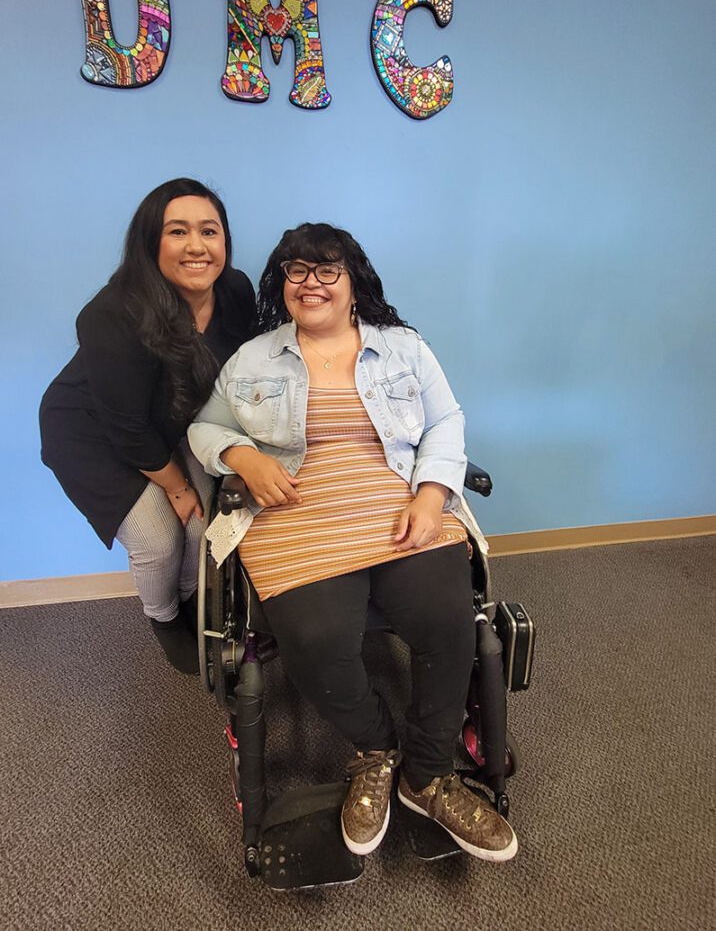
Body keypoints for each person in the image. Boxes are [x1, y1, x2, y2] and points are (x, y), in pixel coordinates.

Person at [188, 223, 517, 862]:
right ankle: (375, 748)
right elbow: (206, 425)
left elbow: (446, 420)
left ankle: (426, 776)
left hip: (397, 502)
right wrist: (240, 455)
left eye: (325, 270)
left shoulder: (403, 348)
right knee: (315, 641)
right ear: (281, 284)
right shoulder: (254, 359)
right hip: (296, 512)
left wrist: (431, 494)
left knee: (449, 624)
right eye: (295, 271)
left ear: (353, 281)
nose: (310, 284)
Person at [40, 178, 256, 674]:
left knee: (206, 526)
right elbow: (126, 424)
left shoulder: (236, 290)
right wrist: (177, 487)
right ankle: (162, 618)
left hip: (176, 420)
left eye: (210, 231)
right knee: (160, 537)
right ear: (150, 241)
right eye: (177, 231)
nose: (197, 246)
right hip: (93, 431)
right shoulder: (111, 313)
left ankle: (182, 602)